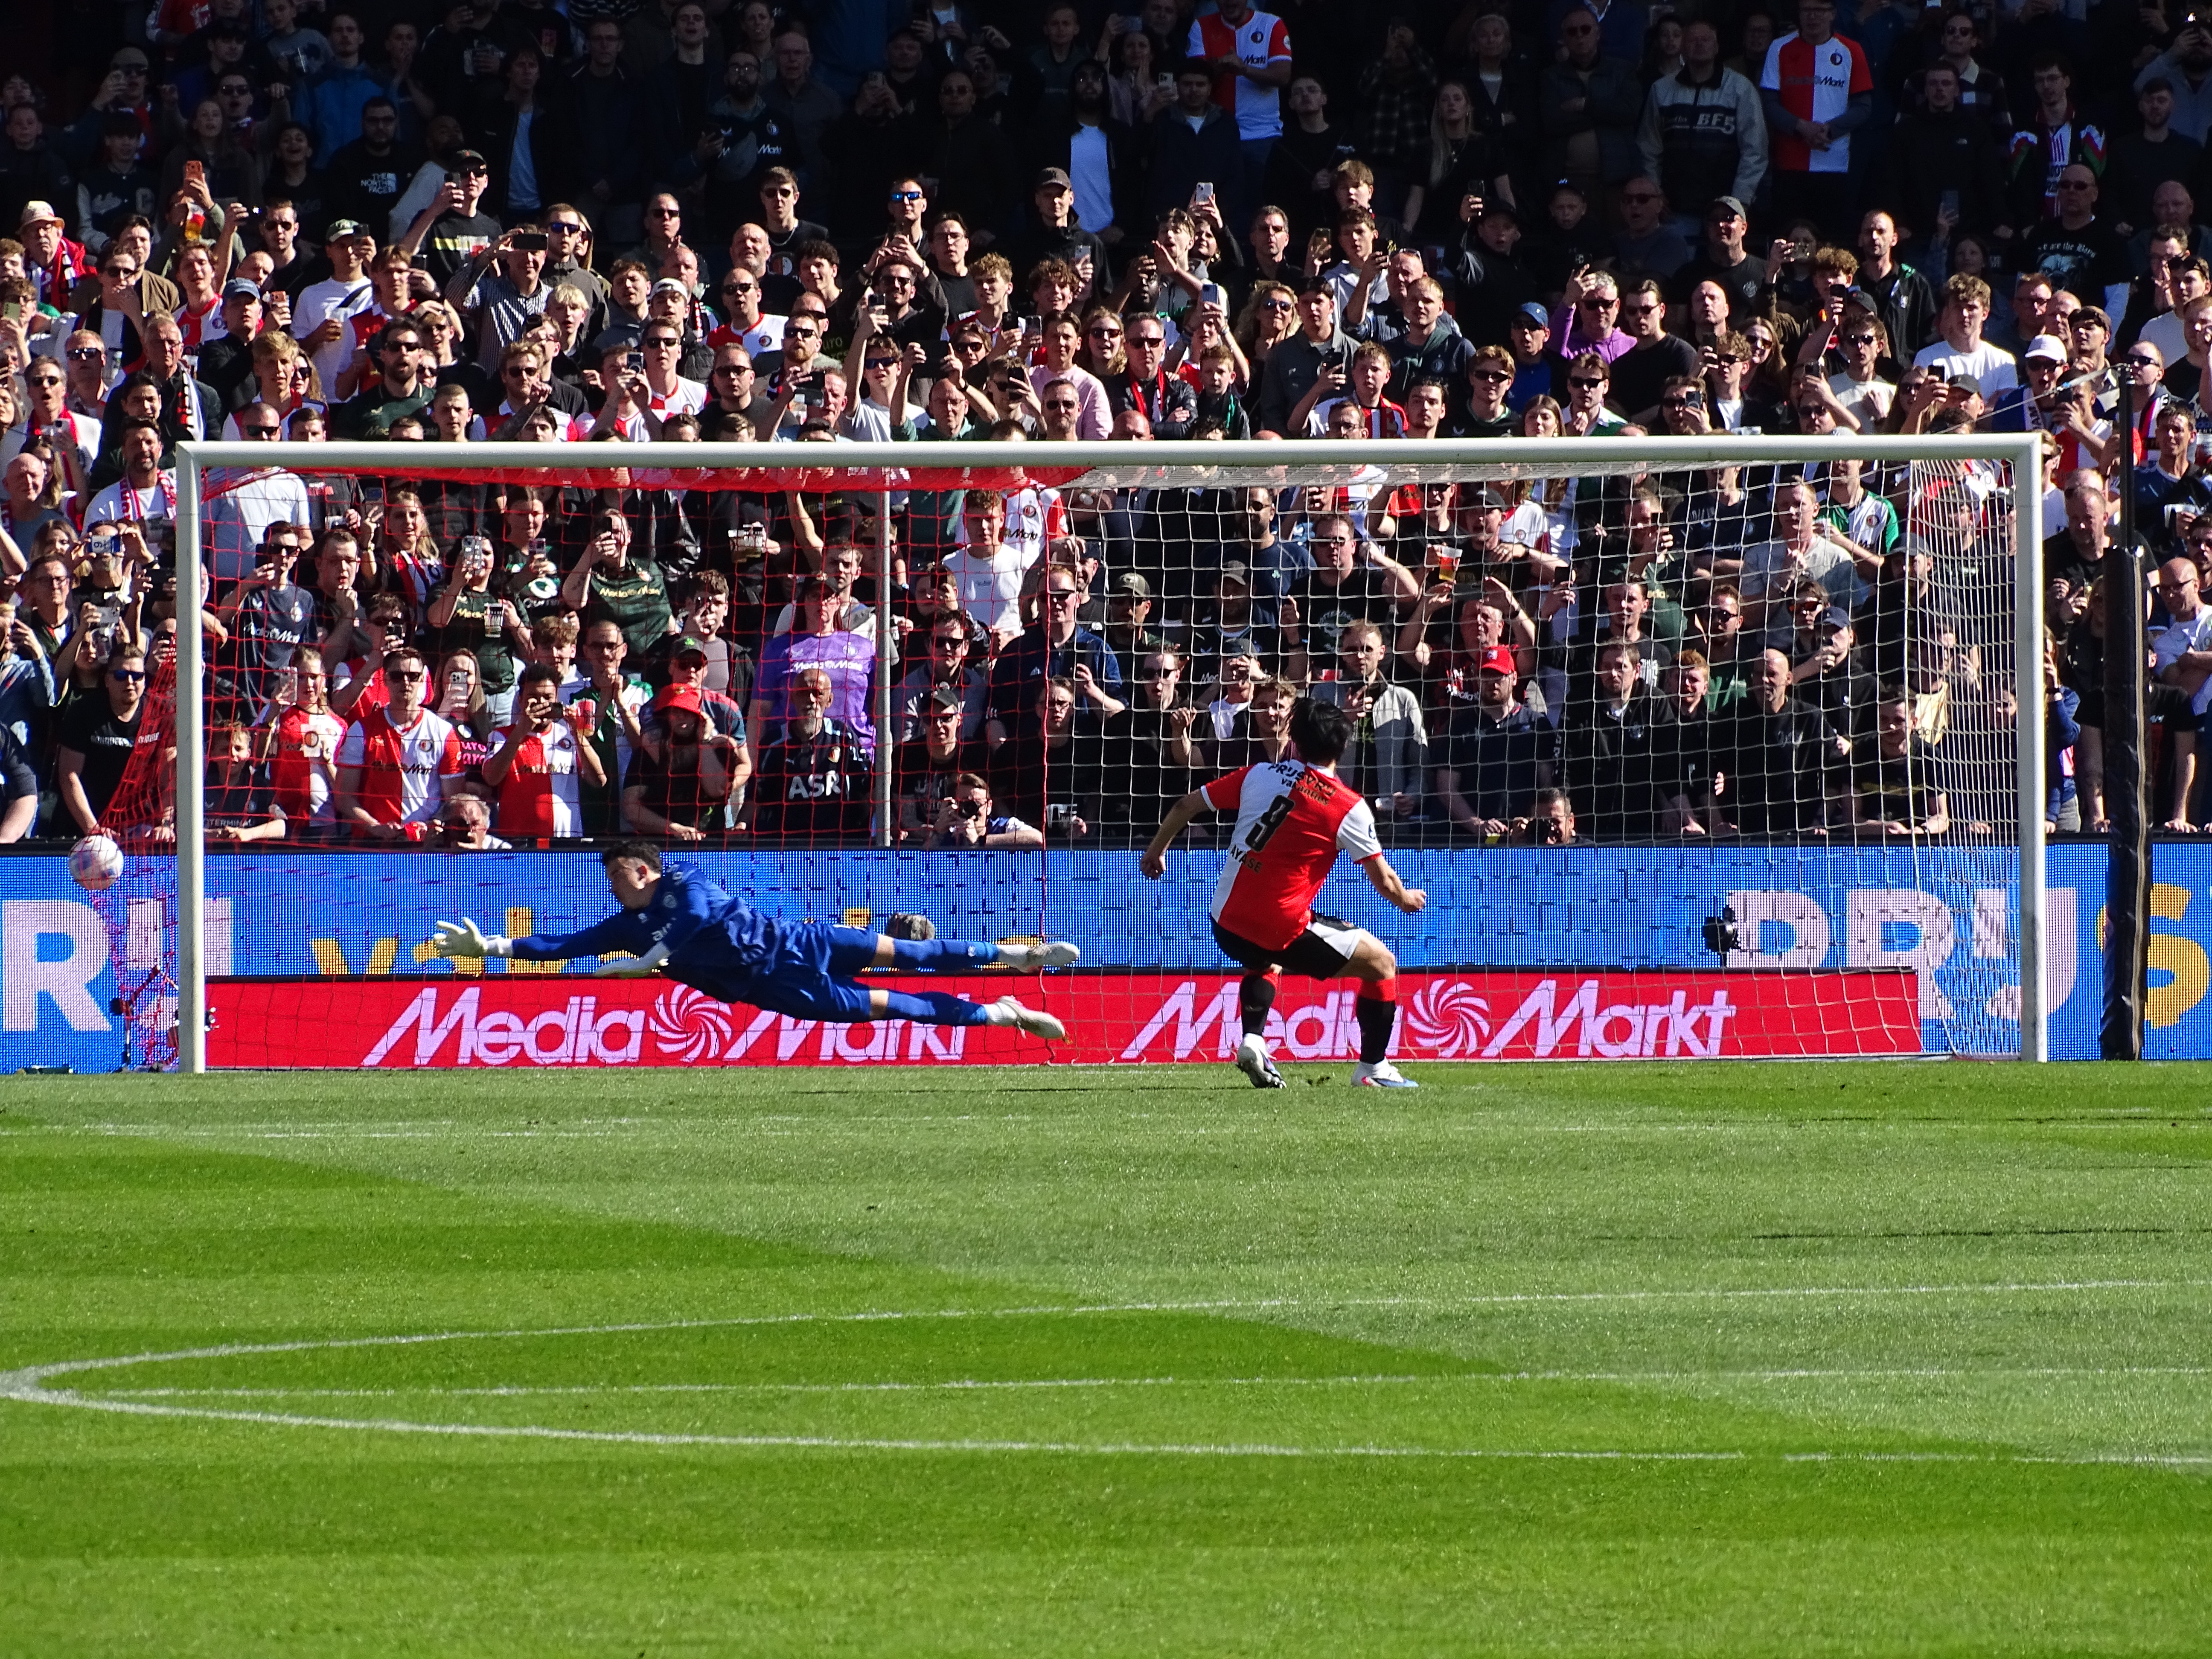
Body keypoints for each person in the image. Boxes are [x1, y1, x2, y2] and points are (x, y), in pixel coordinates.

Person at [427, 838, 1074, 1039]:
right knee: (894, 1008)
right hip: (774, 987)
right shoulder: (628, 927)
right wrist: (492, 951)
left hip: (802, 941)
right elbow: (561, 946)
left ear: (645, 869)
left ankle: (1015, 956)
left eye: (621, 874)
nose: (616, 887)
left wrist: (650, 962)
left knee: (914, 954)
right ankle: (1001, 1014)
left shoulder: (686, 883)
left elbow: (691, 925)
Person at [1141, 696, 1429, 1090]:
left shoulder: (1258, 774)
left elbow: (1185, 804)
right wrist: (1408, 899)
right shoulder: (1348, 807)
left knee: (1265, 958)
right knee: (1382, 964)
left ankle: (1254, 1041)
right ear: (1343, 747)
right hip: (1278, 926)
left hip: (1224, 920)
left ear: (1294, 739)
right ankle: (1374, 1069)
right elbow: (1386, 883)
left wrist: (1156, 851)